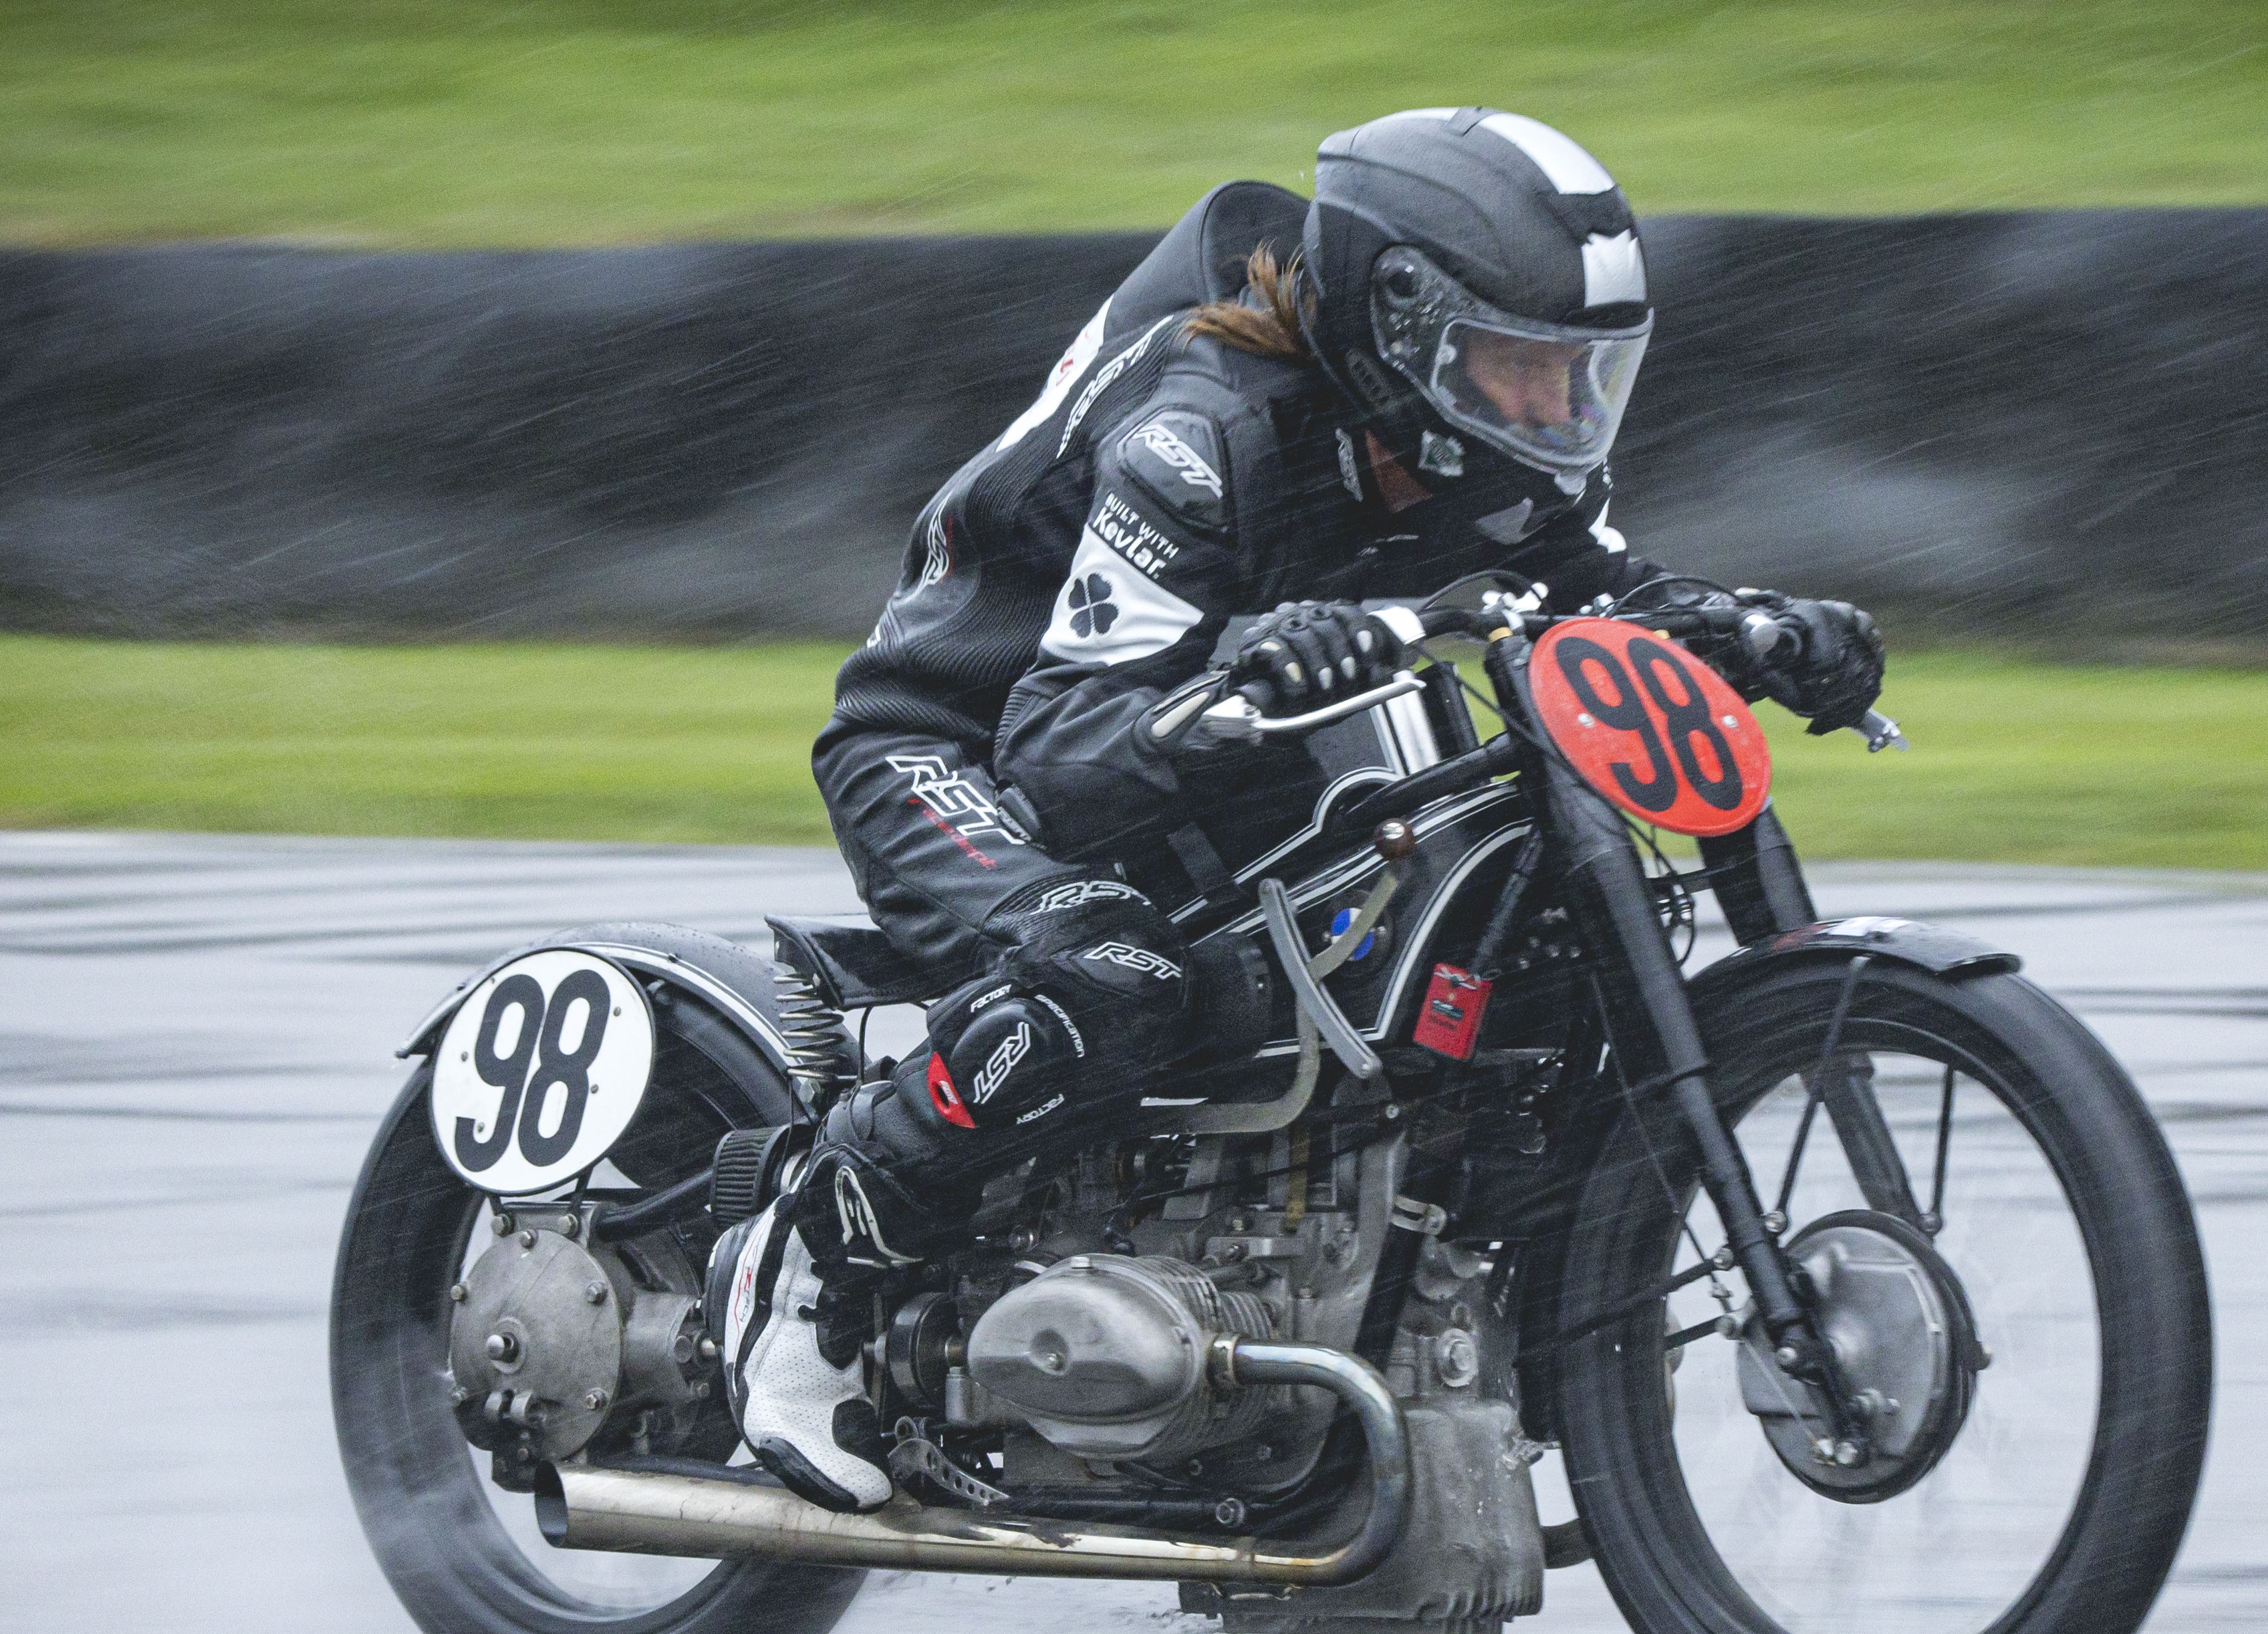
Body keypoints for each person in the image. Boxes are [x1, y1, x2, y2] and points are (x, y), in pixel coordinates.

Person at [715, 106, 1888, 1512]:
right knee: (1114, 973)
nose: (1553, 412)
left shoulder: (1490, 462)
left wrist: (1754, 630)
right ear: (1403, 330)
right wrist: (1250, 657)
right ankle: (815, 1258)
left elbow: (1604, 601)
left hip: (1205, 747)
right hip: (958, 744)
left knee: (1499, 929)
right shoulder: (1203, 435)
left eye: (1577, 376)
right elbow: (1060, 747)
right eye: (1518, 368)